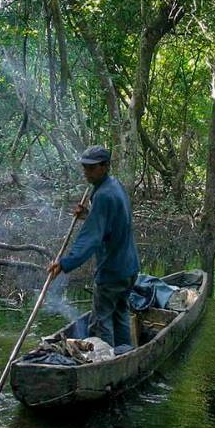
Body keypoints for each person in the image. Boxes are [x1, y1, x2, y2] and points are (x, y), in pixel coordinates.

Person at [48, 146, 140, 350]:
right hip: (129, 267)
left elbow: (91, 239)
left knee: (101, 322)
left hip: (112, 271)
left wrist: (65, 263)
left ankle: (105, 362)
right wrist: (89, 215)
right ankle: (125, 354)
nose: (86, 172)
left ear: (105, 166)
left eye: (91, 168)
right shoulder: (114, 185)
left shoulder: (104, 195)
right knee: (120, 314)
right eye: (84, 167)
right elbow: (110, 223)